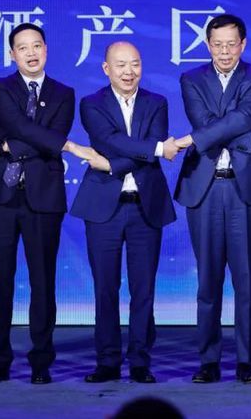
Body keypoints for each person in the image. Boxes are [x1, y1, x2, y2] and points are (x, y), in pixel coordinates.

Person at [0, 23, 97, 385]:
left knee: (43, 282)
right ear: (12, 54)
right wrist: (64, 145)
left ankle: (41, 362)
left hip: (43, 197)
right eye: (23, 47)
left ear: (46, 50)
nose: (31, 52)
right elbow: (19, 126)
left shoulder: (63, 93)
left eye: (37, 45)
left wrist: (5, 146)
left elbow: (47, 136)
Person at [69, 41, 177, 384]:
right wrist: (155, 149)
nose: (129, 72)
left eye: (135, 64)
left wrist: (111, 164)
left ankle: (140, 361)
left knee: (143, 289)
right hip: (105, 208)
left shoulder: (157, 102)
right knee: (106, 287)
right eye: (121, 65)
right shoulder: (91, 104)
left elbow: (135, 153)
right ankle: (107, 361)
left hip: (146, 207)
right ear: (106, 69)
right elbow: (111, 140)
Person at [173, 13, 251, 384]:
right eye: (218, 45)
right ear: (208, 45)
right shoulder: (191, 78)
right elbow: (206, 123)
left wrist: (236, 130)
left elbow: (245, 117)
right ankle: (209, 361)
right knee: (208, 280)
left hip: (245, 188)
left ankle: (246, 361)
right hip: (206, 187)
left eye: (232, 44)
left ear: (243, 44)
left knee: (246, 280)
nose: (225, 51)